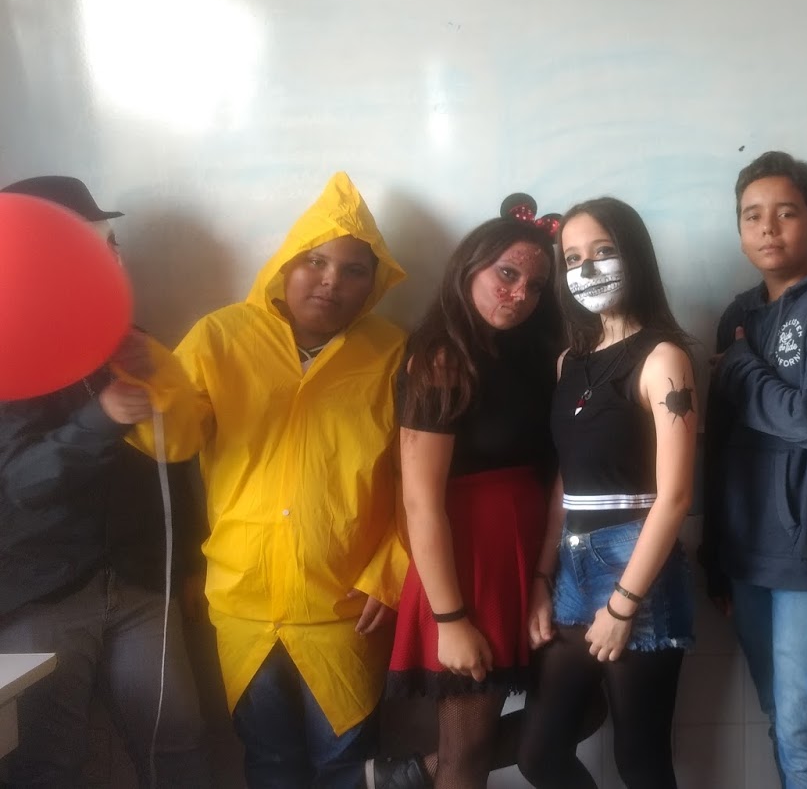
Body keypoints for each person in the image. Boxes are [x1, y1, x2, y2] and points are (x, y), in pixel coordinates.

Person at [134, 172, 411, 789]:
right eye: (316, 261)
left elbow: (416, 478)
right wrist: (141, 397)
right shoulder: (221, 336)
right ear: (287, 262)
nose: (331, 280)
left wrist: (391, 571)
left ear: (374, 283)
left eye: (354, 269)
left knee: (348, 767)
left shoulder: (392, 353)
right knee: (270, 764)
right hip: (244, 606)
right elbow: (173, 439)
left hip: (346, 610)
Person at [0, 176, 211, 788]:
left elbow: (180, 461)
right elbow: (23, 482)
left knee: (176, 742)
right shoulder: (11, 356)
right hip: (42, 593)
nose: (113, 260)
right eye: (93, 248)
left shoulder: (132, 343)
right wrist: (102, 419)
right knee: (49, 760)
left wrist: (190, 562)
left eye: (113, 245)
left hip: (140, 583)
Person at [702, 151, 807, 789]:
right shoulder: (737, 314)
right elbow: (722, 444)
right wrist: (714, 552)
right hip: (746, 552)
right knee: (781, 717)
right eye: (752, 216)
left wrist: (741, 367)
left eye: (786, 213)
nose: (768, 227)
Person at [384, 195, 565, 789]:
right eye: (506, 274)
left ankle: (410, 775)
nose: (519, 294)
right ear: (469, 267)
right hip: (470, 565)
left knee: (578, 709)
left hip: (529, 557)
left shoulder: (532, 354)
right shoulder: (440, 358)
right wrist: (451, 618)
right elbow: (419, 501)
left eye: (535, 285)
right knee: (467, 751)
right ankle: (424, 772)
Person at [517, 197, 698, 789]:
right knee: (539, 756)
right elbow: (565, 479)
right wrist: (542, 578)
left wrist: (624, 605)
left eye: (603, 251)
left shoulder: (665, 358)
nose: (587, 268)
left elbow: (675, 496)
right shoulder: (569, 360)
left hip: (637, 565)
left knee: (641, 763)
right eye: (572, 258)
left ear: (634, 255)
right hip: (571, 563)